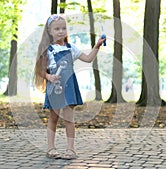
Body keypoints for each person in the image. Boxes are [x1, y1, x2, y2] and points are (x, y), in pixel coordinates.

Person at [34, 14, 105, 160]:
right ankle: (51, 148)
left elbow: (88, 58)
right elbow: (39, 70)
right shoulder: (47, 50)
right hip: (55, 87)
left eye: (63, 28)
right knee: (53, 118)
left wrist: (97, 46)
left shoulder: (71, 47)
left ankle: (71, 149)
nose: (61, 31)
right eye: (57, 29)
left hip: (69, 87)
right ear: (49, 31)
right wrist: (49, 77)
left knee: (69, 119)